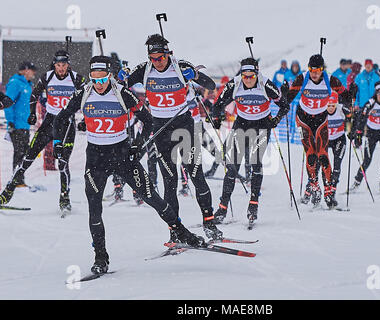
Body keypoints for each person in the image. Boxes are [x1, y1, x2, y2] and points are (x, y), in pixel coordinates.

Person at [53, 55, 205, 274]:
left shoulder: (122, 93)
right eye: (94, 79)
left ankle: (182, 232)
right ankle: (101, 258)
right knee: (95, 210)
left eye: (102, 78)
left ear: (110, 76)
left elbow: (148, 120)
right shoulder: (83, 94)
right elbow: (61, 118)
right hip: (95, 158)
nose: (98, 84)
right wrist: (59, 144)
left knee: (153, 197)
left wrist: (138, 146)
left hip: (122, 155)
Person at [123, 34, 223, 240]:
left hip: (183, 125)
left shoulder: (180, 65)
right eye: (153, 58)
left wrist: (194, 75)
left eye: (160, 57)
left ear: (168, 53)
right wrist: (121, 74)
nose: (157, 62)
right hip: (160, 129)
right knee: (170, 181)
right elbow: (119, 86)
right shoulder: (144, 69)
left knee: (196, 176)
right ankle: (175, 231)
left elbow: (210, 85)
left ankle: (209, 223)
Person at [0, 51, 84, 212]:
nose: (61, 68)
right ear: (54, 64)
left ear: (68, 65)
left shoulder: (77, 78)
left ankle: (64, 197)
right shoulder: (47, 77)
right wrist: (32, 113)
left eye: (64, 65)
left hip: (67, 124)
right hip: (49, 123)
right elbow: (34, 95)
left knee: (63, 163)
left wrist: (85, 120)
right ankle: (7, 192)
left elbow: (87, 97)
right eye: (58, 65)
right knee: (27, 158)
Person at [210, 57, 290, 224]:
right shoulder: (234, 84)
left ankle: (253, 205)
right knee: (232, 167)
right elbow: (217, 105)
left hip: (261, 126)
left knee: (255, 164)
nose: (248, 79)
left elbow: (284, 105)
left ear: (257, 73)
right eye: (245, 76)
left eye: (251, 76)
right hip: (242, 125)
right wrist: (217, 117)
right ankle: (222, 207)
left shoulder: (266, 84)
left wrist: (275, 120)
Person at [287, 54, 352, 209]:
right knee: (310, 155)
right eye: (311, 69)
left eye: (317, 70)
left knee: (322, 154)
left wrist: (352, 93)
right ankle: (314, 187)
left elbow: (345, 96)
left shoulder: (331, 80)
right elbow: (287, 98)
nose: (314, 73)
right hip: (303, 120)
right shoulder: (302, 79)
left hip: (321, 120)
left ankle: (329, 191)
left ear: (322, 69)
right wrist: (283, 93)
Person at [300, 91, 351, 204]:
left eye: (333, 105)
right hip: (324, 141)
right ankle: (310, 191)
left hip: (338, 139)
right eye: (328, 105)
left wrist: (354, 131)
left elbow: (354, 117)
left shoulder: (341, 109)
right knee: (317, 166)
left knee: (336, 167)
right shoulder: (319, 112)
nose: (331, 108)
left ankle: (330, 195)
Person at [2, 62, 37, 185]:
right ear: (25, 70)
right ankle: (16, 181)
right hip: (16, 124)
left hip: (24, 124)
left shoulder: (27, 85)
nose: (34, 73)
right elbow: (7, 103)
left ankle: (19, 179)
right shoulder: (15, 83)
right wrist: (10, 121)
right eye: (32, 70)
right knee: (19, 153)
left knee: (24, 153)